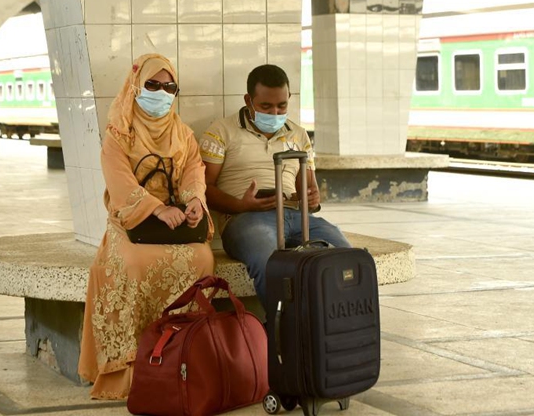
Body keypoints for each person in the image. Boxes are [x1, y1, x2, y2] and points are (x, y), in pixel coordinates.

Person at [78, 53, 215, 399]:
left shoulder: (181, 133)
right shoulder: (118, 133)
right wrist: (155, 209)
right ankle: (130, 366)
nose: (161, 93)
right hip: (132, 222)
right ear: (136, 85)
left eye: (170, 87)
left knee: (202, 259)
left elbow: (193, 170)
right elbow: (120, 184)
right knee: (132, 264)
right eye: (152, 85)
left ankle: (182, 357)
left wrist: (194, 201)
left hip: (176, 220)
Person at [200, 64, 350, 302]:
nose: (275, 114)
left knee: (345, 256)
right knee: (271, 262)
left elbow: (307, 190)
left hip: (297, 217)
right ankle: (284, 331)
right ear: (249, 100)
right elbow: (203, 189)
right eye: (266, 107)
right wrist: (241, 206)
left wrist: (312, 199)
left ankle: (332, 328)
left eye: (282, 106)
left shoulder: (298, 135)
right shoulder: (221, 132)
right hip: (244, 220)